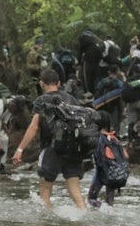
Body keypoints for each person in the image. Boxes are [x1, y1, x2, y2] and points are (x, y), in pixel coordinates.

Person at [12, 67, 88, 210]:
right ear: (58, 83)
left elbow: (34, 127)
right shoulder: (71, 99)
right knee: (75, 191)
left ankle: (46, 221)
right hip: (73, 148)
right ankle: (83, 216)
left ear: (41, 83)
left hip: (51, 148)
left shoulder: (42, 100)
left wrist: (20, 149)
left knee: (45, 190)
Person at [87, 110, 129, 208]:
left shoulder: (97, 137)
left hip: (101, 172)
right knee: (110, 201)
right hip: (114, 172)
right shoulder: (113, 138)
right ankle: (109, 210)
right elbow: (126, 156)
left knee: (91, 199)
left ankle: (100, 207)